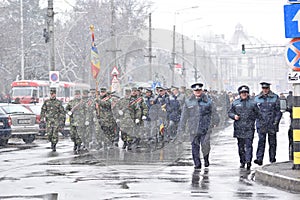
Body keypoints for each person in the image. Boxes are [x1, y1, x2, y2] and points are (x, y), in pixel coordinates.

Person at [178, 83, 213, 169]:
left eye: (199, 90)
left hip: (205, 127)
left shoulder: (208, 101)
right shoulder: (188, 101)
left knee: (205, 145)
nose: (197, 92)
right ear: (193, 91)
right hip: (193, 127)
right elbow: (184, 116)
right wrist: (181, 127)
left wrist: (214, 122)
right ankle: (197, 163)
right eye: (196, 91)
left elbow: (213, 112)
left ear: (201, 90)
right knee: (195, 146)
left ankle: (206, 159)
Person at [228, 85, 260, 170]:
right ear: (239, 94)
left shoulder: (253, 103)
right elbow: (230, 113)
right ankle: (242, 161)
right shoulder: (235, 103)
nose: (244, 94)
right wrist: (234, 116)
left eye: (245, 93)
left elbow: (258, 114)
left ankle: (248, 161)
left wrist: (252, 118)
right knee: (241, 146)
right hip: (239, 128)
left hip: (249, 128)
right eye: (242, 93)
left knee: (249, 145)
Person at [253, 82, 282, 165]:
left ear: (269, 89)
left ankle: (272, 159)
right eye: (263, 88)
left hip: (271, 123)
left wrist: (276, 121)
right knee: (261, 142)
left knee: (272, 143)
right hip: (261, 124)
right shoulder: (257, 98)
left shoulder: (275, 97)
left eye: (266, 88)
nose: (265, 90)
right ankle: (259, 159)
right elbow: (254, 112)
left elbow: (278, 111)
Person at [65, 90, 84, 154]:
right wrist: (69, 112)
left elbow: (86, 110)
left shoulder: (82, 102)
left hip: (80, 121)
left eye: (78, 94)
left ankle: (78, 145)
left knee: (79, 135)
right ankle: (75, 143)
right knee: (72, 135)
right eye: (76, 94)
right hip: (73, 121)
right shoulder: (71, 102)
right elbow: (66, 109)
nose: (77, 95)